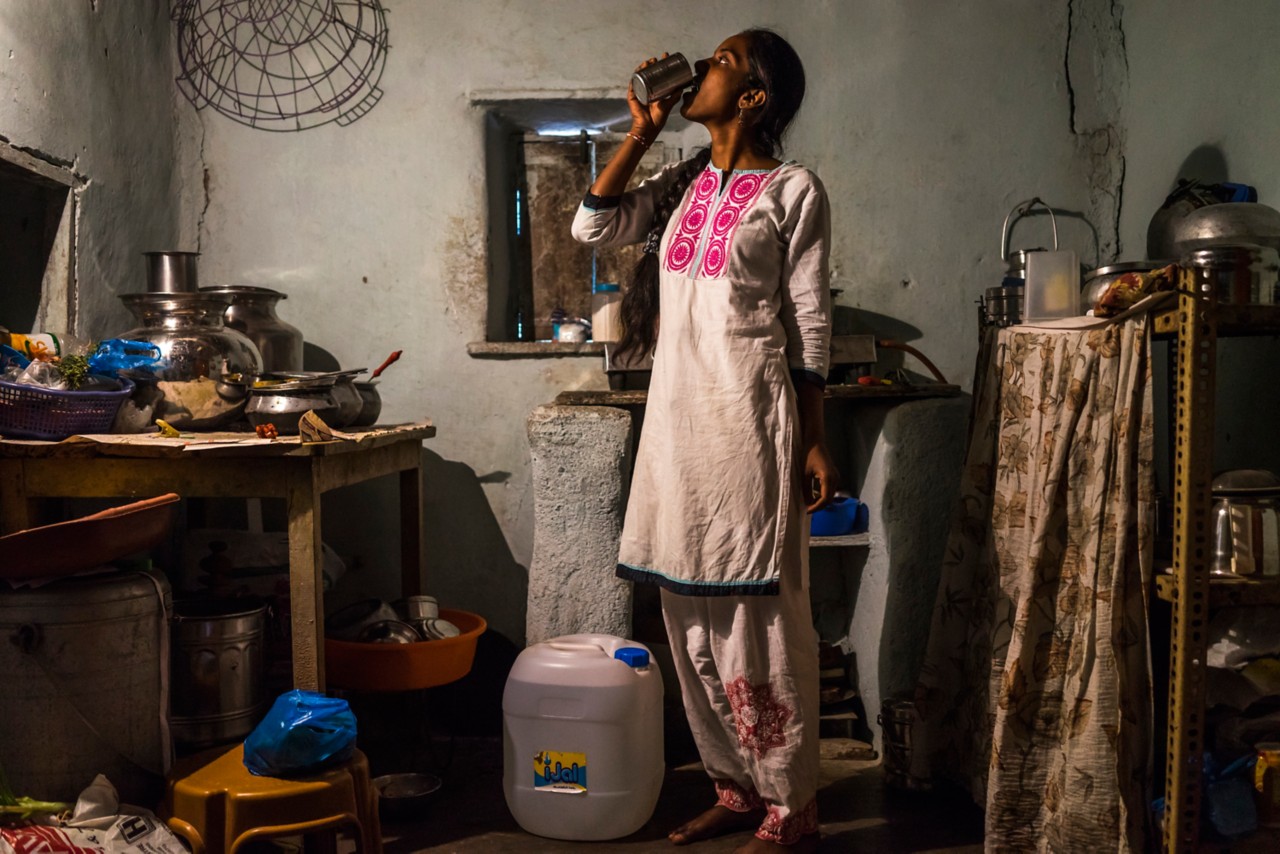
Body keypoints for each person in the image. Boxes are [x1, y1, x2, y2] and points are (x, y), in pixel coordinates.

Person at [571, 29, 835, 853]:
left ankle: (792, 802)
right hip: (676, 427)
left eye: (721, 62)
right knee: (685, 613)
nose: (702, 68)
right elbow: (591, 227)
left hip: (749, 423)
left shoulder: (793, 190)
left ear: (753, 97)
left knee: (756, 615)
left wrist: (815, 439)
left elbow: (811, 322)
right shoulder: (679, 187)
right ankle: (734, 786)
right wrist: (643, 130)